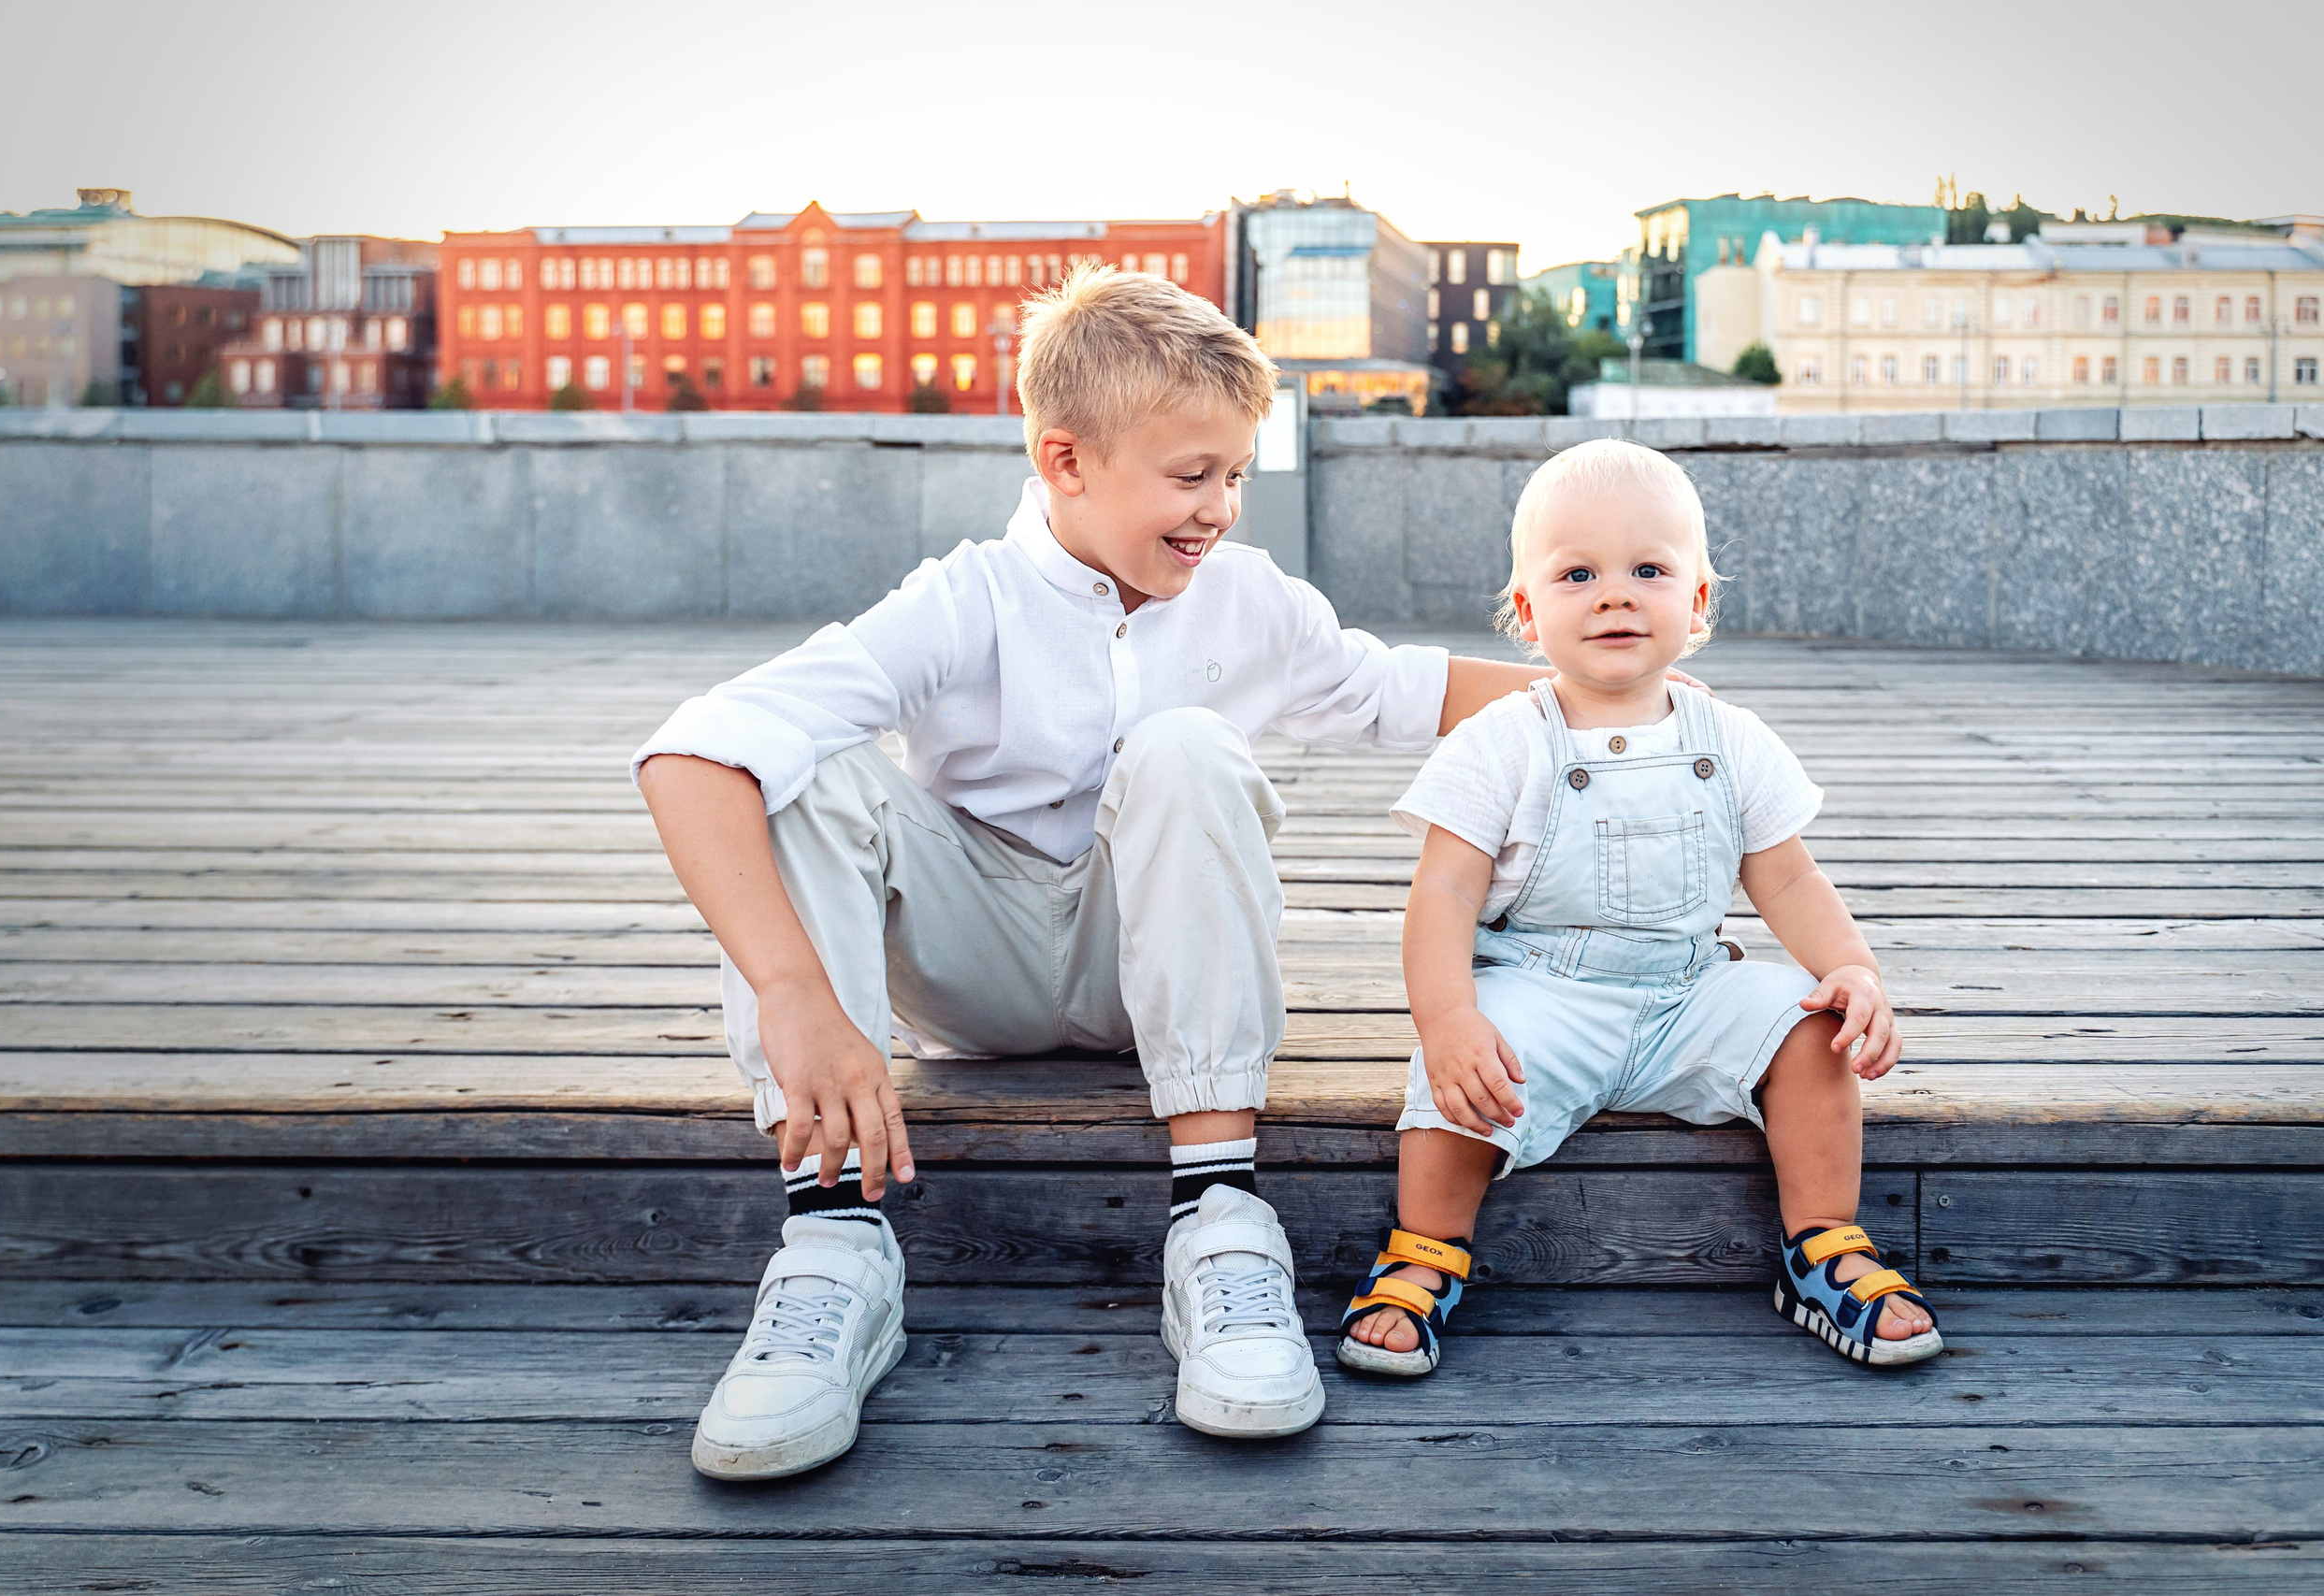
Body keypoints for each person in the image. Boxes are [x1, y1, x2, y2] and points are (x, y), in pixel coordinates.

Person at [636, 265, 1571, 1479]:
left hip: (1155, 976)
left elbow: (1403, 688)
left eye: (1236, 474)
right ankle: (832, 1248)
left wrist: (1603, 696)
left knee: (1184, 743)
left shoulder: (1245, 598)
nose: (1222, 507)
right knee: (802, 770)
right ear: (1065, 459)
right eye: (1192, 476)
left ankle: (1221, 1216)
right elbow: (690, 750)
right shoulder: (961, 601)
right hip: (976, 973)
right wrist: (794, 989)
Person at [1336, 439, 1941, 1380]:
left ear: (1696, 603)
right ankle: (1425, 1250)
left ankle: (1822, 1244)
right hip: (1543, 988)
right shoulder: (1500, 741)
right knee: (1461, 1072)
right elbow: (1445, 890)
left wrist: (1852, 970)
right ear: (1528, 613)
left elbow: (1784, 878)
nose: (1614, 594)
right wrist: (1449, 1018)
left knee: (1807, 1029)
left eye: (1647, 570)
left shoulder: (1728, 738)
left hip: (1688, 991)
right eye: (1578, 573)